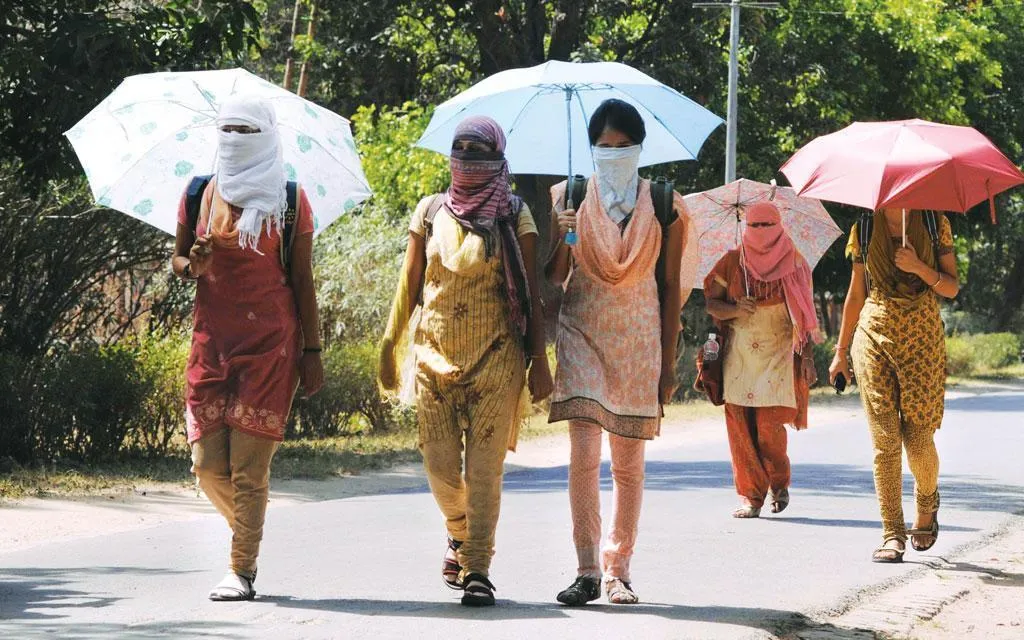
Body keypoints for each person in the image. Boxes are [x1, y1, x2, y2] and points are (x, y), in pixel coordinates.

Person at [378, 116, 553, 607]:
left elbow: (532, 295)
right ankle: (459, 532)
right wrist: (390, 345)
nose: (469, 157)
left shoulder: (515, 215)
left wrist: (539, 361)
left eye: (480, 150)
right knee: (438, 468)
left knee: (483, 470)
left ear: (498, 158)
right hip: (432, 358)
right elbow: (409, 283)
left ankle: (477, 566)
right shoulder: (430, 211)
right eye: (461, 149)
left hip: (497, 359)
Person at [170, 96, 324, 601]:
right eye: (228, 129)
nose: (235, 138)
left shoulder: (288, 197)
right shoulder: (198, 193)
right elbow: (176, 262)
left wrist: (313, 351)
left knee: (249, 469)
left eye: (246, 130)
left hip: (271, 346)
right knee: (207, 466)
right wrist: (193, 261)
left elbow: (301, 278)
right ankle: (250, 526)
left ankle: (241, 568)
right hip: (211, 344)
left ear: (266, 135)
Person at [545, 99, 697, 606]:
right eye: (603, 147)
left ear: (638, 148)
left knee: (627, 465)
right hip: (582, 329)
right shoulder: (570, 195)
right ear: (591, 149)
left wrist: (670, 358)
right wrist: (564, 231)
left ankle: (619, 569)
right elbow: (554, 276)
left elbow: (672, 285)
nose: (612, 154)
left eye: (622, 146)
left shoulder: (666, 203)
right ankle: (586, 568)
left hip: (638, 338)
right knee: (584, 457)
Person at [829, 208, 958, 563]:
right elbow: (856, 293)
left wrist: (919, 267)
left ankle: (927, 501)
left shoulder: (934, 224)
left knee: (918, 440)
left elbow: (951, 287)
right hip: (874, 335)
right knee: (885, 440)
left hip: (922, 338)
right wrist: (840, 352)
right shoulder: (865, 227)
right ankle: (892, 533)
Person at [704, 201, 819, 519]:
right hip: (739, 355)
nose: (761, 232)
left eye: (768, 225)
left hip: (780, 353)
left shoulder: (795, 262)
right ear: (745, 227)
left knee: (769, 426)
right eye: (754, 226)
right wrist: (737, 309)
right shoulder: (730, 262)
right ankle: (752, 497)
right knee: (740, 426)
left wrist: (807, 356)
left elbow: (806, 312)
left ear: (781, 226)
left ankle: (779, 485)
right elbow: (713, 304)